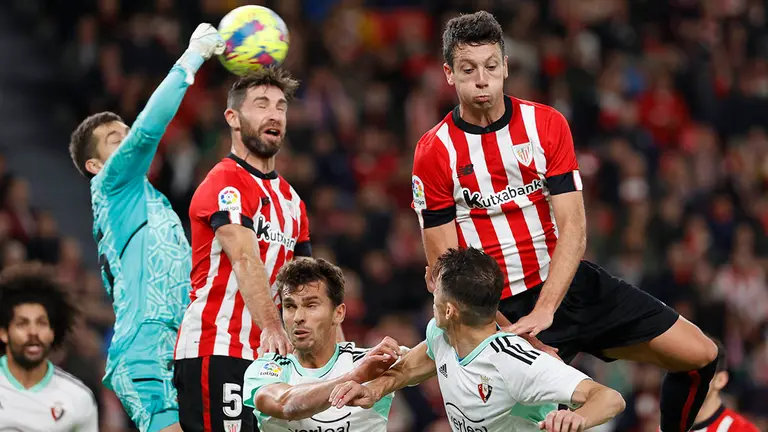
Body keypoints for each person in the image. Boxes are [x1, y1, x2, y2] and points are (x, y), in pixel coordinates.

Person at [410, 11, 717, 432]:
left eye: (491, 67)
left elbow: (574, 227)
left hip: (566, 287)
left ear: (505, 67)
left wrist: (548, 310)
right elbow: (448, 269)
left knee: (700, 354)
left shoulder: (545, 124)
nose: (481, 79)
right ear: (449, 73)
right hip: (499, 314)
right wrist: (527, 340)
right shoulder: (435, 151)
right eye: (468, 69)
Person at [67, 23, 225, 432]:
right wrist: (190, 60)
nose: (129, 142)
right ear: (95, 165)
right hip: (144, 344)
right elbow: (148, 131)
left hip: (179, 342)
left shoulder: (154, 205)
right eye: (115, 140)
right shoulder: (111, 186)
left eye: (126, 134)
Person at [329, 247, 625, 432]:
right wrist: (374, 390)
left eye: (436, 288)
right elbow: (407, 370)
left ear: (451, 309)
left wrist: (579, 419)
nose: (430, 291)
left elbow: (610, 398)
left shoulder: (514, 362)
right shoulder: (441, 333)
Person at [173, 67, 312, 432]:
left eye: (281, 107)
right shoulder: (226, 182)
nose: (274, 115)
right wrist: (272, 327)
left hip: (272, 360)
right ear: (233, 118)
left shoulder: (293, 202)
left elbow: (308, 287)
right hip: (219, 347)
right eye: (261, 105)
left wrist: (336, 357)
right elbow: (245, 258)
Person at [241, 257, 403, 431]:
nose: (298, 317)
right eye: (290, 306)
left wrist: (379, 384)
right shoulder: (267, 368)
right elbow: (284, 404)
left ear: (338, 313)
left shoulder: (372, 362)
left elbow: (428, 354)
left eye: (311, 305)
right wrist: (355, 377)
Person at [0, 268, 98, 431]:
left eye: (41, 323)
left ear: (53, 332)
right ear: (3, 333)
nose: (33, 332)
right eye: (22, 323)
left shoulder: (78, 397)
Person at [688, 340, 759, 432]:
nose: (688, 378)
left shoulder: (741, 430)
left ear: (720, 380)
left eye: (699, 372)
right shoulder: (665, 426)